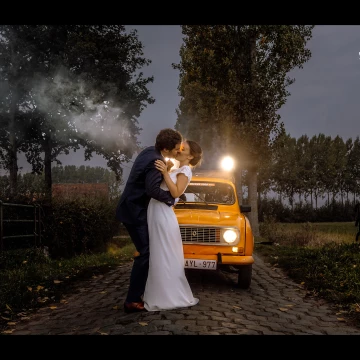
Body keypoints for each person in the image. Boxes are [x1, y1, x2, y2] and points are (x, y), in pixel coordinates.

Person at [116, 128, 183, 313]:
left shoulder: (149, 151)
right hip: (134, 212)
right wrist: (171, 199)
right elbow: (152, 190)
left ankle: (140, 292)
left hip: (131, 208)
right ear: (167, 148)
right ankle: (132, 300)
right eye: (177, 149)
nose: (178, 152)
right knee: (145, 252)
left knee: (144, 250)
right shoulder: (156, 160)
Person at [143, 139, 203, 311]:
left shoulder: (185, 171)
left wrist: (164, 173)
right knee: (158, 252)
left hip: (163, 212)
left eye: (183, 148)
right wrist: (168, 171)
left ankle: (165, 296)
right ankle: (157, 293)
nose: (179, 148)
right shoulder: (177, 168)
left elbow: (176, 192)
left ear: (190, 155)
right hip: (156, 210)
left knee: (162, 253)